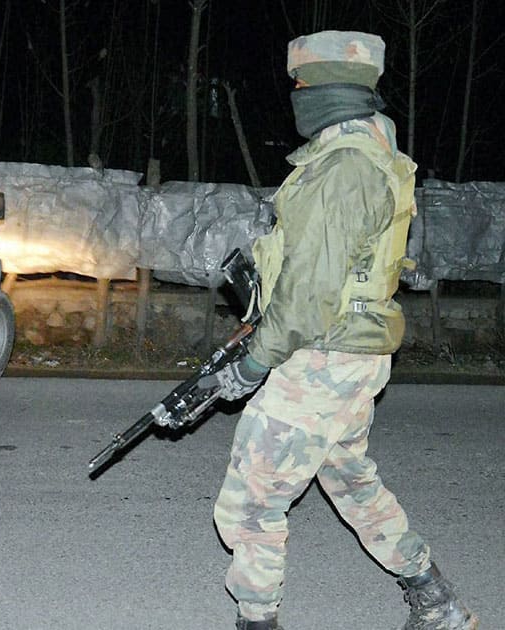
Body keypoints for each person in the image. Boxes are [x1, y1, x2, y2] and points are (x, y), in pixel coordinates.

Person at [203, 31, 479, 630]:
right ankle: (436, 601)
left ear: (325, 89)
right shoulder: (368, 148)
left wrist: (254, 365)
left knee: (251, 503)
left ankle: (258, 621)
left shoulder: (347, 166)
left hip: (321, 357)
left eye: (301, 85)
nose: (295, 96)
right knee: (349, 479)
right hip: (351, 354)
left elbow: (308, 291)